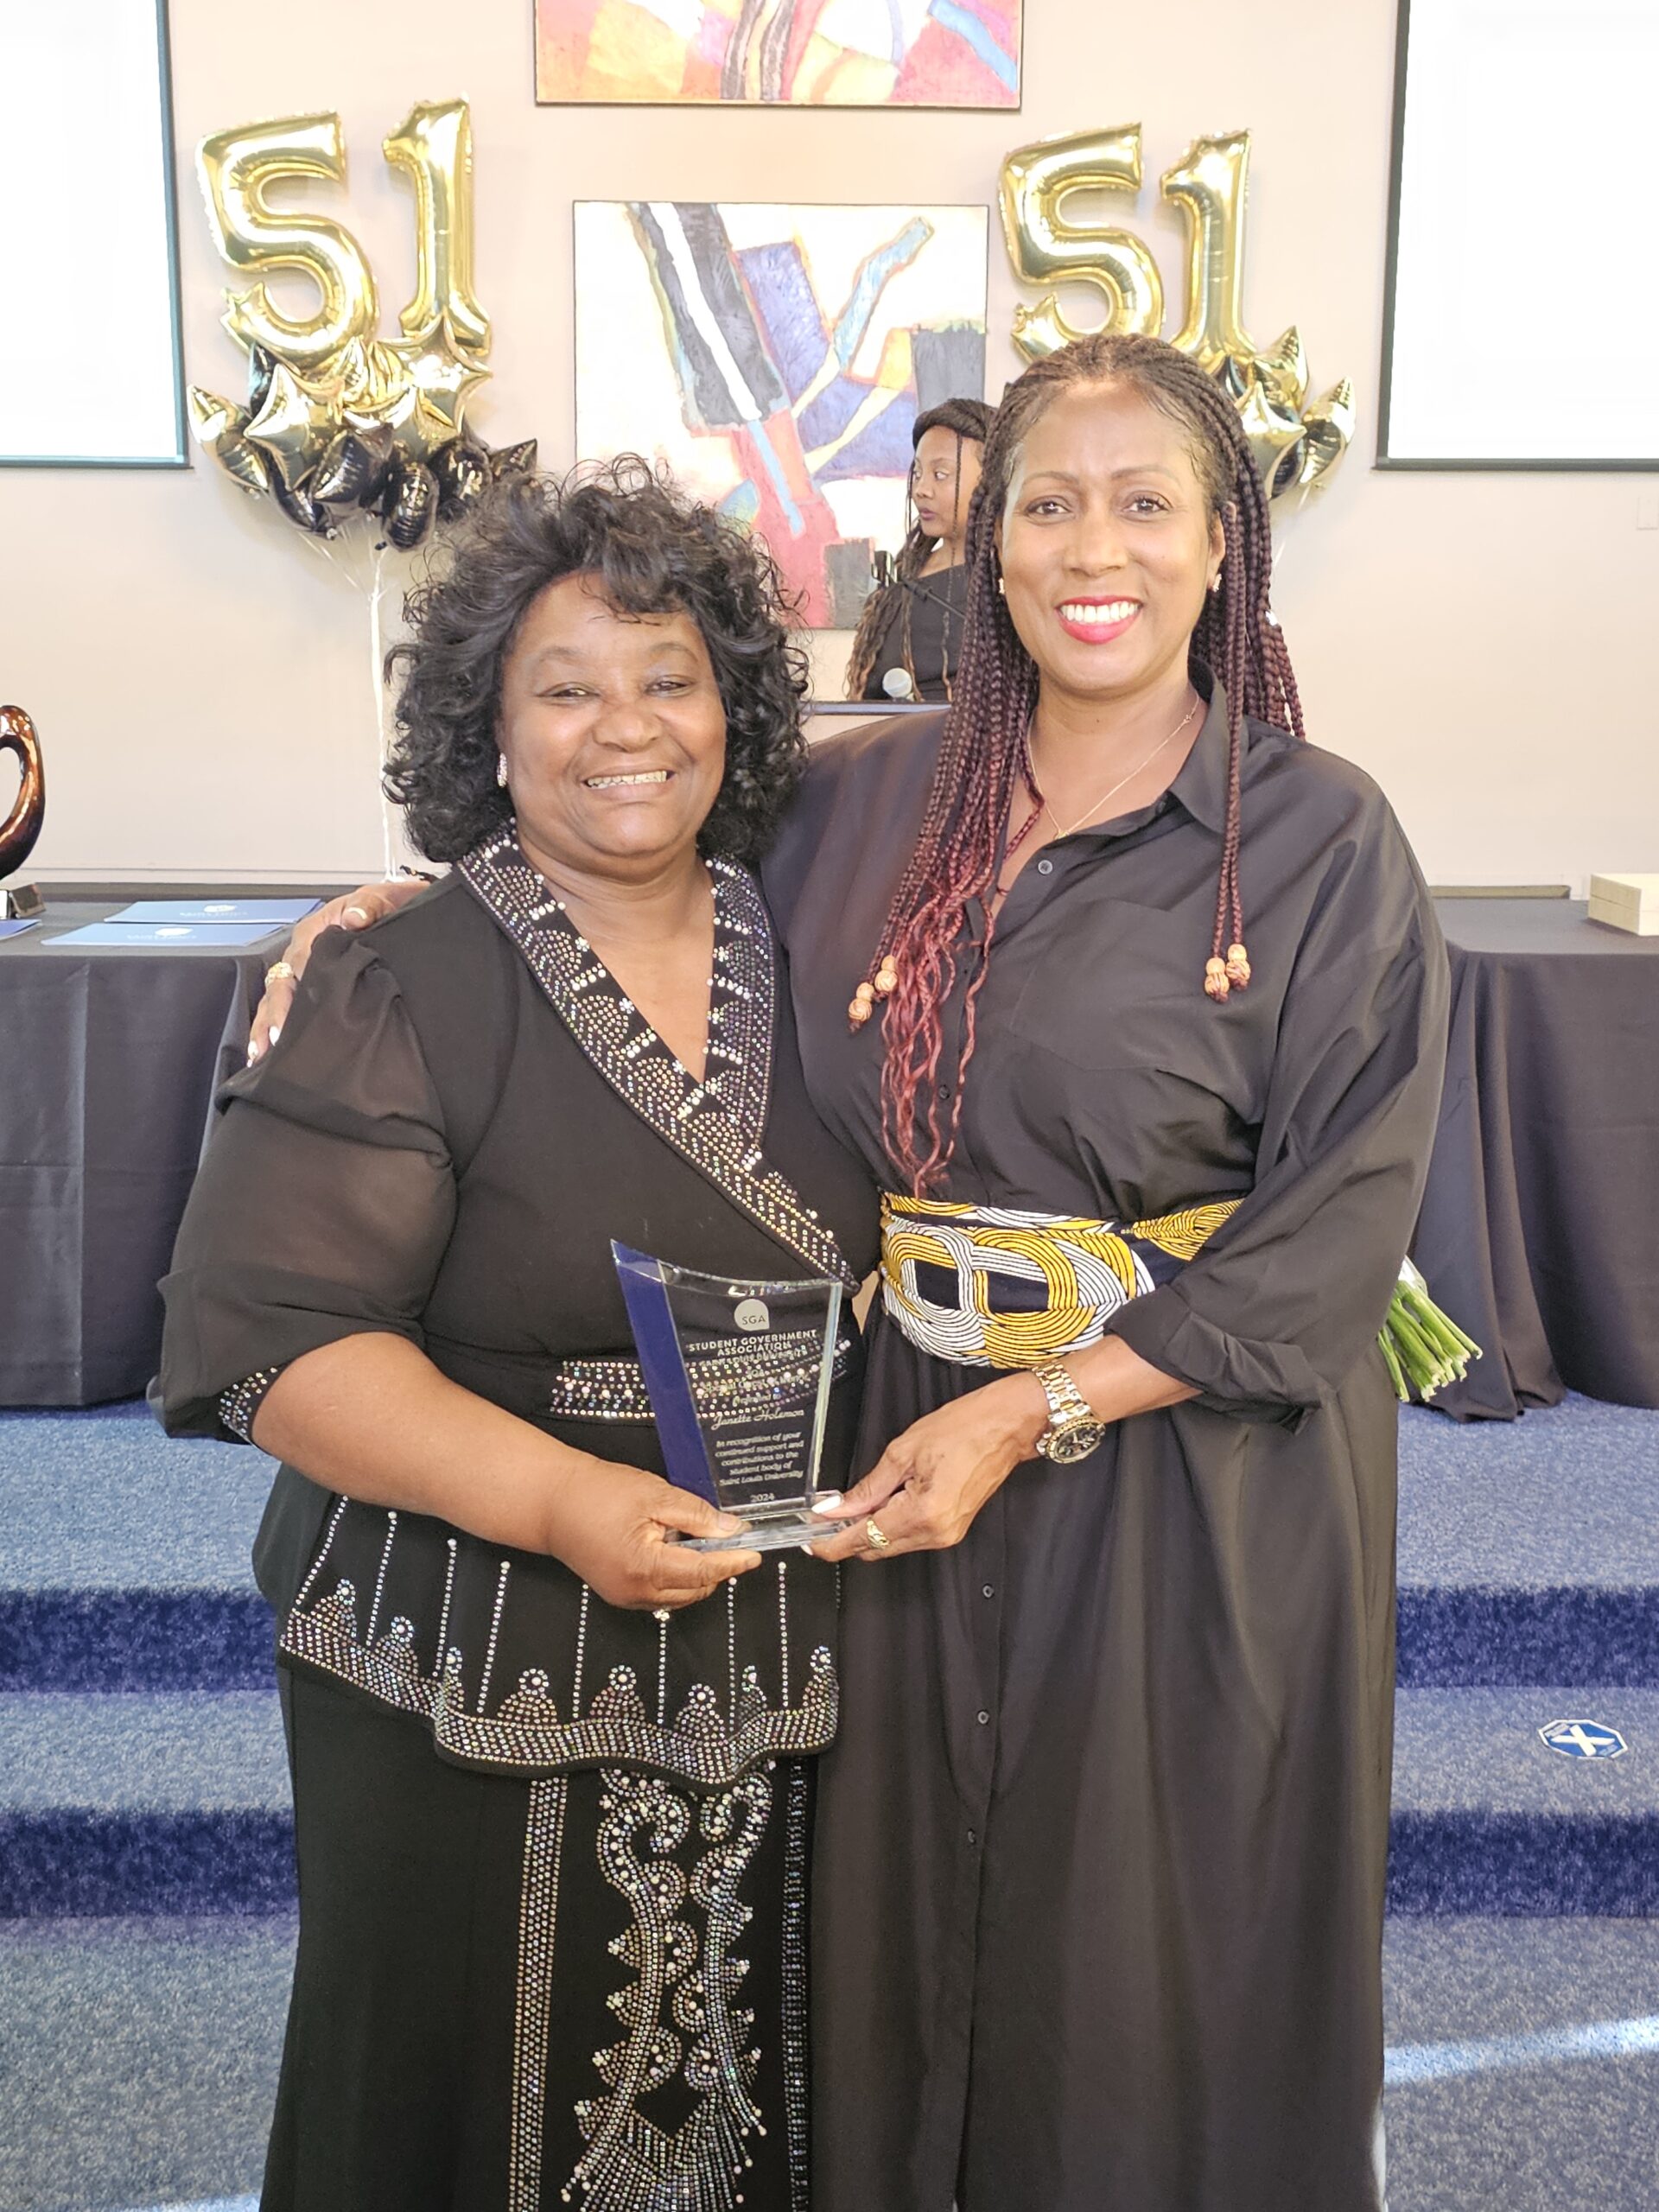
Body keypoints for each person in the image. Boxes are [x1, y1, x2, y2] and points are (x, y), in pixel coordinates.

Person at [250, 332, 1452, 2212]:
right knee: (886, 1947)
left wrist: (1034, 1411)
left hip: (1184, 1468)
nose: (1094, 547)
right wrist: (404, 904)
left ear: (1226, 542)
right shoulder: (870, 799)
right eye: (1049, 504)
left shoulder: (1318, 839)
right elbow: (624, 815)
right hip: (898, 1447)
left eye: (1145, 503)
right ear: (985, 541)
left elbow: (1338, 1232)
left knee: (1139, 1955)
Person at [157, 460, 877, 2212]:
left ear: (736, 708)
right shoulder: (395, 979)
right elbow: (278, 1343)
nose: (624, 727)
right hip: (471, 1639)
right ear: (487, 728)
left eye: (670, 677)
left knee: (764, 2088)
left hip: (793, 1632)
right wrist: (562, 1500)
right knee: (460, 2098)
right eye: (566, 688)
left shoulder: (827, 941)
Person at [845, 397, 990, 704]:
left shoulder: (1008, 584)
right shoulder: (905, 577)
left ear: (991, 482)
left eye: (940, 475)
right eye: (919, 473)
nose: (921, 489)